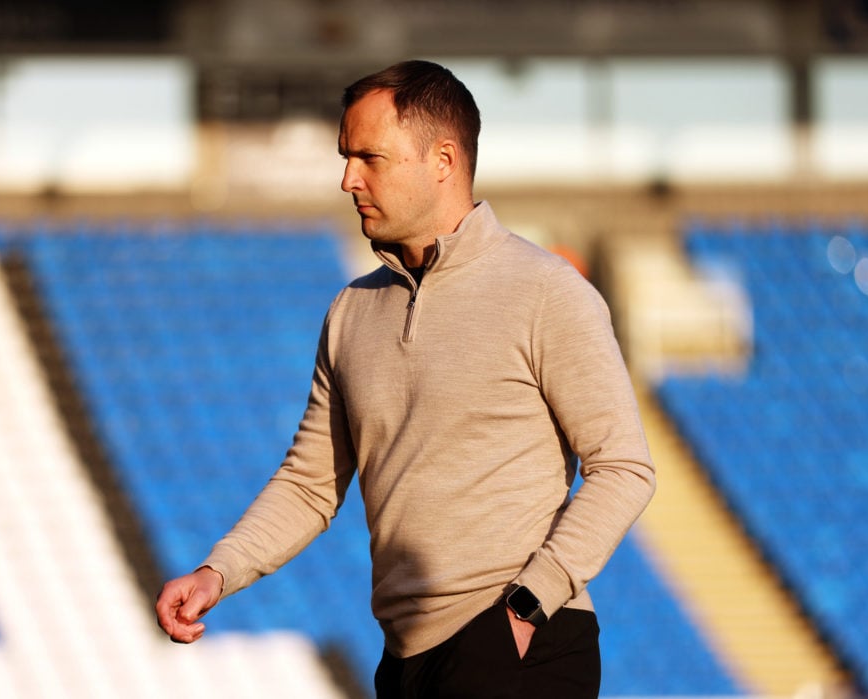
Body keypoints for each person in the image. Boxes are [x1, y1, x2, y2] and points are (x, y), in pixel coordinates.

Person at [156, 60, 656, 698]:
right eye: (346, 157)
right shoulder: (350, 311)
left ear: (443, 160)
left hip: (519, 643)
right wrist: (216, 572)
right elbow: (311, 484)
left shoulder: (547, 292)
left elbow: (624, 468)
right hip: (404, 660)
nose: (347, 178)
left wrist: (526, 609)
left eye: (369, 157)